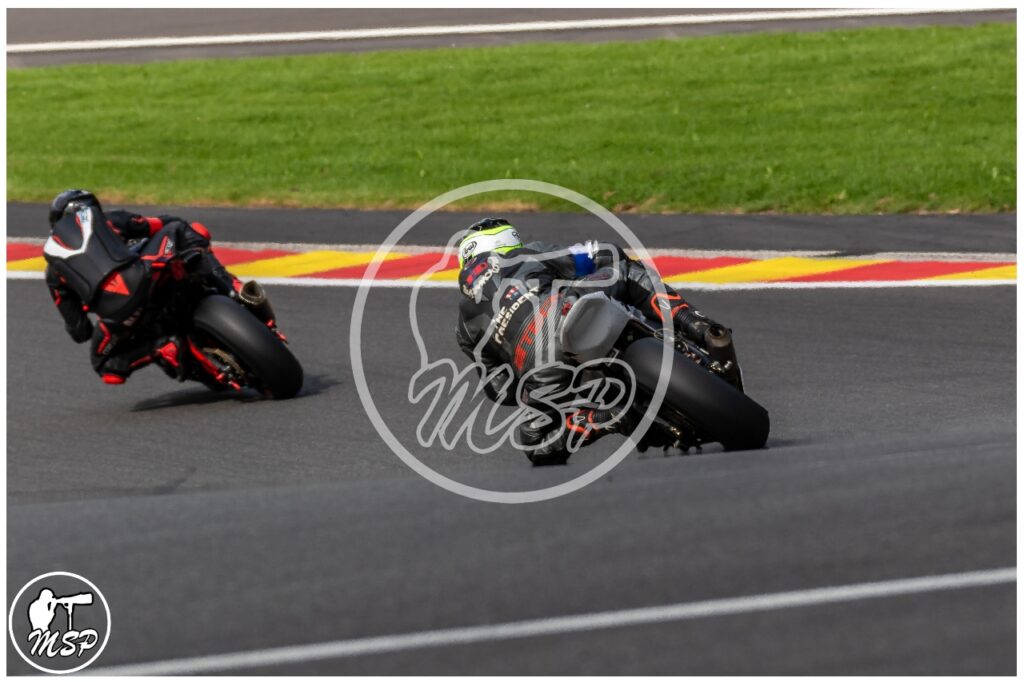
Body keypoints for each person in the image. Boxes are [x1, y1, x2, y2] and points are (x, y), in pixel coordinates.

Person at [455, 217, 741, 465]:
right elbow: (602, 253)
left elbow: (500, 391)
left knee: (534, 441)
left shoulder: (464, 327)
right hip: (568, 310)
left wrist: (530, 380)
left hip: (541, 368)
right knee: (624, 269)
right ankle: (698, 325)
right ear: (503, 242)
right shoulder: (527, 253)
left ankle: (603, 419)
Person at [43, 189, 275, 384]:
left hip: (120, 314)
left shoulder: (55, 270)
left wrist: (99, 310)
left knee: (104, 364)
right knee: (181, 228)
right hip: (148, 274)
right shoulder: (111, 220)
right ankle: (233, 287)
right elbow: (162, 223)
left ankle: (161, 347)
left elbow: (80, 332)